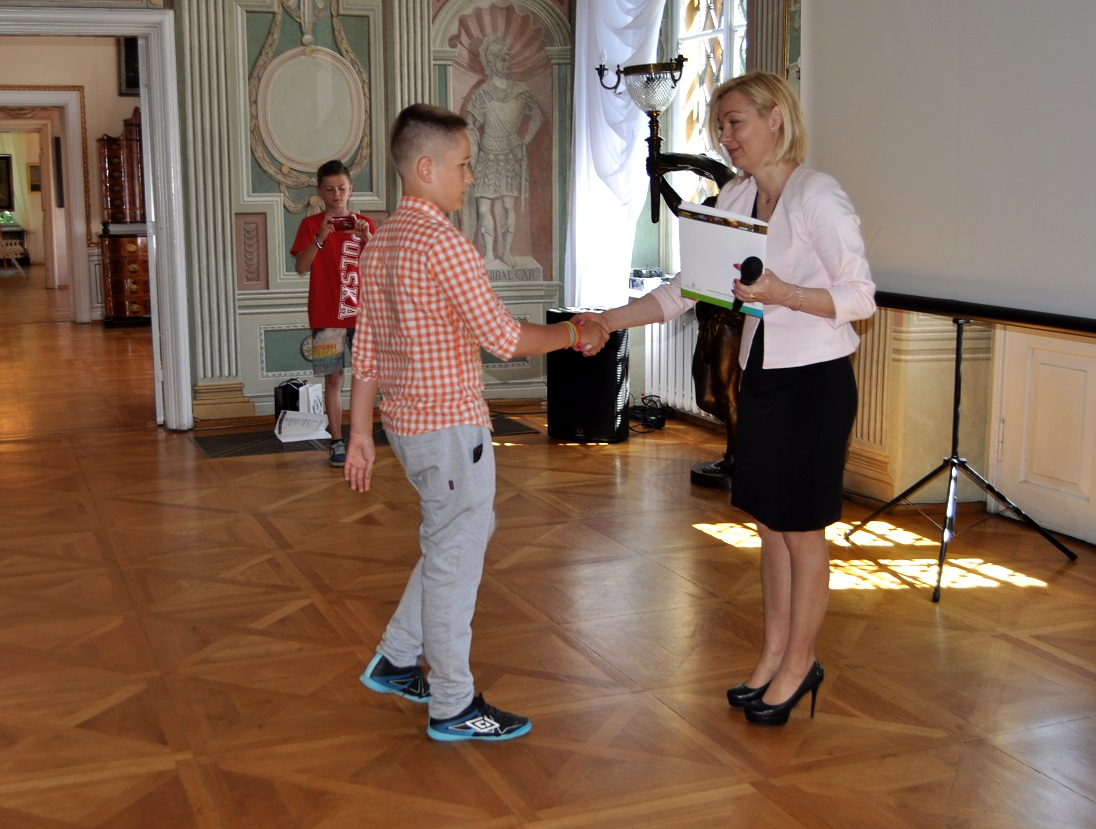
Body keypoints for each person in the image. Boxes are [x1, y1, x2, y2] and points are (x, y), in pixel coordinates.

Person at [575, 71, 876, 726]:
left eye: (735, 121)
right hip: (763, 374)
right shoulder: (737, 196)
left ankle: (801, 662)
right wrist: (608, 319)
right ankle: (773, 655)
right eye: (720, 126)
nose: (725, 136)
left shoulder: (817, 195)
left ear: (775, 118)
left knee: (801, 531)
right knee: (769, 525)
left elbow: (860, 297)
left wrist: (784, 293)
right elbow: (688, 287)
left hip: (816, 380)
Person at [343, 103, 606, 742]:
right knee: (454, 561)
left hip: (407, 429)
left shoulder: (380, 243)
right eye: (462, 165)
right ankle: (453, 704)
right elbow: (505, 338)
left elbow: (365, 352)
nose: (471, 177)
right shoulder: (445, 244)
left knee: (454, 539)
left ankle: (397, 658)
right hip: (451, 433)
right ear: (425, 168)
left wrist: (359, 435)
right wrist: (575, 333)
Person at [291, 160, 376, 467]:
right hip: (326, 315)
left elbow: (382, 265)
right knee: (333, 380)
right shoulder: (311, 225)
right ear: (320, 192)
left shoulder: (364, 223)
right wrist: (320, 238)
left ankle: (362, 437)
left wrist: (367, 238)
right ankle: (337, 441)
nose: (336, 195)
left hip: (363, 317)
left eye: (341, 188)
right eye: (329, 189)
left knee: (367, 377)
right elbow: (301, 267)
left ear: (350, 189)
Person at [464, 35, 543, 268]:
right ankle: (489, 253)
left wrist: (523, 140)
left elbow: (537, 116)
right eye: (502, 59)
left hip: (510, 155)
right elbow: (469, 124)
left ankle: (506, 252)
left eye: (507, 59)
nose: (507, 63)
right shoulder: (483, 93)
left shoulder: (520, 90)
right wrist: (473, 142)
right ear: (491, 61)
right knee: (483, 206)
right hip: (488, 154)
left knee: (508, 205)